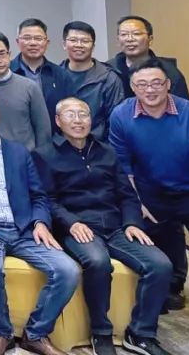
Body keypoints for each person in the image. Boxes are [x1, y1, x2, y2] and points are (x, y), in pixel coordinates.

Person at [36, 97, 173, 355]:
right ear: (58, 121)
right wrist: (71, 222)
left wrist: (132, 222)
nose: (78, 120)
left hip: (116, 225)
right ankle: (100, 332)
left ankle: (140, 334)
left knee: (160, 264)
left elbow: (127, 195)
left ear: (91, 119)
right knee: (98, 262)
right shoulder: (45, 154)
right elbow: (47, 199)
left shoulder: (107, 151)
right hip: (78, 227)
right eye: (70, 115)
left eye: (83, 114)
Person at [0, 91, 79, 355]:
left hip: (24, 230)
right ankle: (2, 332)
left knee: (68, 270)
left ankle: (36, 333)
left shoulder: (19, 152)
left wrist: (40, 222)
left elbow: (39, 195)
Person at [109, 59, 189, 313]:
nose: (150, 89)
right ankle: (172, 288)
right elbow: (123, 165)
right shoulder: (121, 115)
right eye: (142, 84)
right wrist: (137, 202)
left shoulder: (188, 112)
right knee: (165, 240)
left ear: (168, 85)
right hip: (149, 190)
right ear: (133, 88)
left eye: (156, 83)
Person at [59, 21, 124, 140]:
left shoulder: (108, 78)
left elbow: (115, 121)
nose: (79, 45)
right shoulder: (54, 76)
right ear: (64, 44)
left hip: (98, 146)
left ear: (93, 46)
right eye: (73, 40)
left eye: (85, 41)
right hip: (61, 147)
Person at [109, 15, 189, 100]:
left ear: (150, 39)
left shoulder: (168, 71)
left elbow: (183, 105)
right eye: (124, 34)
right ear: (118, 40)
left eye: (136, 34)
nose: (129, 39)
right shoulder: (109, 70)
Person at [10, 18, 69, 119]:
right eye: (27, 38)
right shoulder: (7, 72)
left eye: (38, 38)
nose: (33, 43)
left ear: (47, 42)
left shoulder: (60, 74)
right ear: (17, 41)